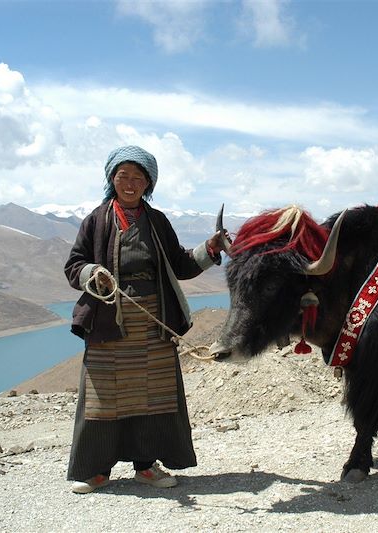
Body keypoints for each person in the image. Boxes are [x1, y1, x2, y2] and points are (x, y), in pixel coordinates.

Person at [64, 145, 225, 494]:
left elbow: (181, 264)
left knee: (152, 397)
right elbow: (73, 265)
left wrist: (211, 249)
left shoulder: (157, 221)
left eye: (139, 177)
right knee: (104, 398)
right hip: (109, 323)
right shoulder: (95, 219)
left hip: (152, 321)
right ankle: (96, 471)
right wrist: (94, 273)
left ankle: (145, 467)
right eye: (123, 176)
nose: (130, 183)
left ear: (149, 183)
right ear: (112, 179)